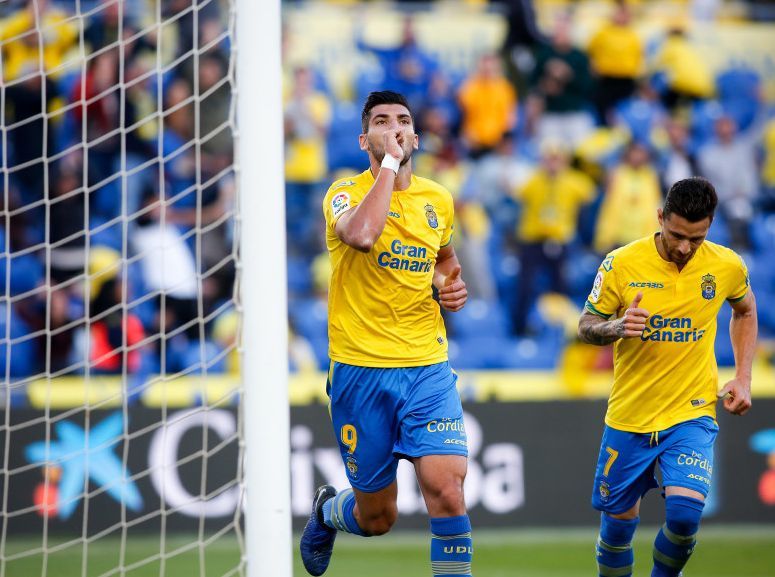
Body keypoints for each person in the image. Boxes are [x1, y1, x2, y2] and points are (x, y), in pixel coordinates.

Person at [300, 91, 472, 577]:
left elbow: (445, 261)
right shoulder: (343, 192)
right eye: (381, 122)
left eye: (402, 121)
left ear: (416, 134)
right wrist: (390, 168)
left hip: (426, 368)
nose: (394, 128)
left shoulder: (438, 199)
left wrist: (449, 286)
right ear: (364, 139)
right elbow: (361, 235)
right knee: (378, 518)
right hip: (361, 372)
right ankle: (328, 512)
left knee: (448, 492)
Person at [577, 177, 757, 577]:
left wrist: (743, 377)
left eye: (696, 238)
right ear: (660, 217)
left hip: (691, 412)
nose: (683, 247)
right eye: (676, 235)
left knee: (684, 517)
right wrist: (617, 327)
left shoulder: (725, 265)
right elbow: (586, 326)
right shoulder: (622, 263)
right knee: (617, 531)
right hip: (630, 416)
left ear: (710, 225)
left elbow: (744, 310)